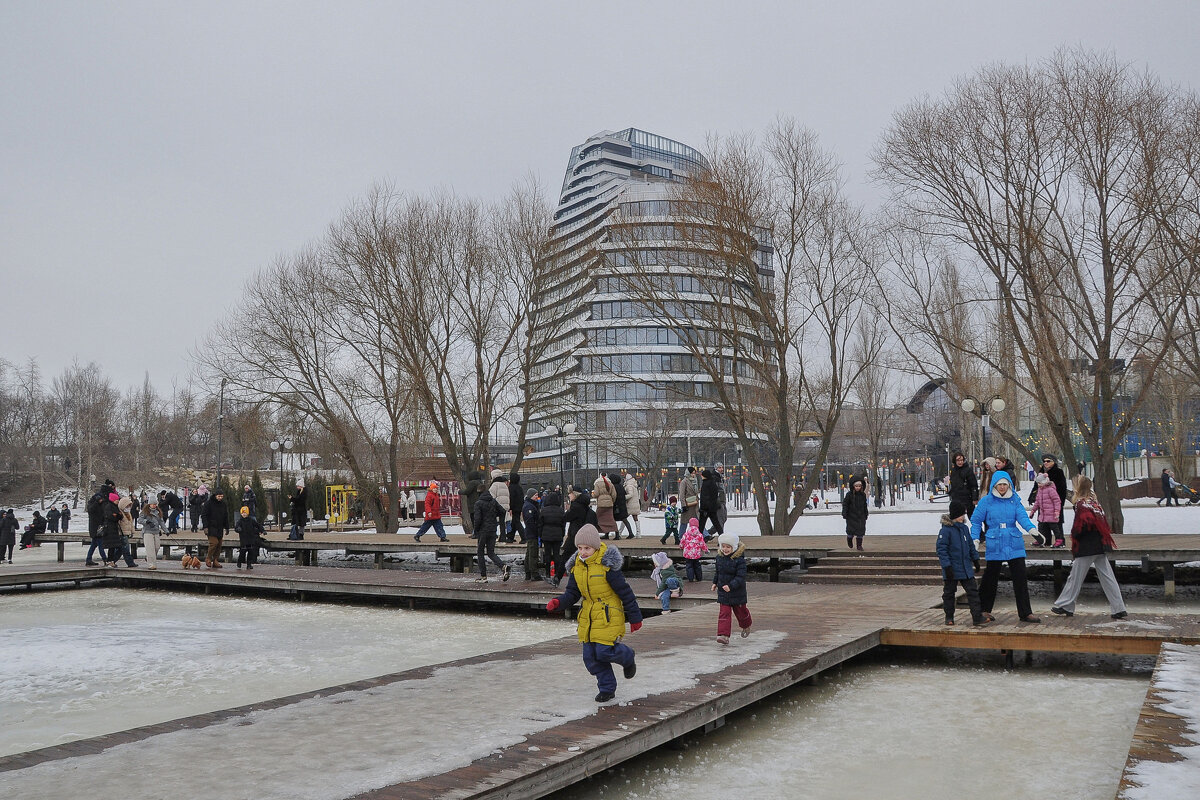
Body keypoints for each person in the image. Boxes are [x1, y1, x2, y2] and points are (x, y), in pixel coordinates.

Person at [545, 525, 643, 703]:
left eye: (587, 548)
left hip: (608, 614)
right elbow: (573, 593)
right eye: (580, 548)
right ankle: (607, 688)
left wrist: (635, 617)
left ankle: (628, 656)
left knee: (604, 651)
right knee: (590, 657)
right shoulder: (577, 566)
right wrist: (558, 603)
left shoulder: (607, 566)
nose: (583, 552)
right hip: (588, 615)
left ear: (596, 547)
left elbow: (625, 592)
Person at [1052, 475, 1128, 620]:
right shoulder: (1094, 502)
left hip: (1087, 546)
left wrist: (1075, 537)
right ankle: (1119, 608)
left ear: (1078, 488)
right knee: (1107, 577)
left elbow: (1081, 526)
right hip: (1100, 544)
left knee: (1075, 577)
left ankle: (1064, 604)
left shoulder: (1081, 504)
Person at [971, 471, 1040, 623]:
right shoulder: (986, 501)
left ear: (1009, 485)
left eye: (1005, 484)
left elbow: (1022, 516)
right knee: (990, 578)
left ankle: (1025, 612)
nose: (1002, 487)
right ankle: (983, 610)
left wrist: (1031, 529)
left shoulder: (1014, 500)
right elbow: (976, 521)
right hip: (995, 541)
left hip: (1013, 541)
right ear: (994, 485)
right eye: (999, 485)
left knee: (1020, 577)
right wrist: (975, 539)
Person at [936, 499, 985, 626]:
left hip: (965, 567)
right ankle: (949, 617)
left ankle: (977, 617)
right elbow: (942, 550)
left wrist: (975, 559)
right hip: (952, 568)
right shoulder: (946, 531)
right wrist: (947, 567)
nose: (963, 517)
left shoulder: (964, 529)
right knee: (949, 594)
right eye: (961, 515)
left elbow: (970, 545)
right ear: (954, 515)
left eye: (964, 514)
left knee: (973, 592)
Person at [711, 532, 752, 644]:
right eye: (723, 546)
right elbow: (718, 572)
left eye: (728, 547)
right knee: (724, 613)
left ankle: (746, 625)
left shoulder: (739, 560)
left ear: (733, 547)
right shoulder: (719, 558)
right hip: (723, 592)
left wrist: (731, 586)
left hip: (737, 592)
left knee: (741, 612)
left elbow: (740, 577)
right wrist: (715, 582)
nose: (725, 549)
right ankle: (723, 635)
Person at [472, 487, 510, 583]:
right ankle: (503, 566)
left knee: (480, 553)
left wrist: (475, 531)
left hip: (483, 531)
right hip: (493, 530)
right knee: (491, 552)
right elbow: (503, 511)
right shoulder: (493, 501)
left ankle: (484, 577)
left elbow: (477, 519)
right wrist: (494, 517)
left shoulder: (478, 503)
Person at [559, 485, 590, 585]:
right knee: (579, 557)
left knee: (566, 555)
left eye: (570, 493)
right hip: (581, 533)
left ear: (575, 494)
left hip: (574, 534)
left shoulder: (576, 505)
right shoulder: (583, 504)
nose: (569, 495)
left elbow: (566, 517)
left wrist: (568, 510)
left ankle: (557, 578)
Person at [539, 487, 566, 585]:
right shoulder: (560, 510)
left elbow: (540, 524)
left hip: (546, 534)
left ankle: (547, 573)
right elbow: (563, 524)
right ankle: (556, 575)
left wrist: (540, 535)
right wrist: (562, 534)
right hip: (557, 534)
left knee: (547, 554)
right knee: (556, 554)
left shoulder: (544, 510)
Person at [101, 492, 135, 567]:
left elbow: (130, 524)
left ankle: (111, 561)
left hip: (126, 533)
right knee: (125, 549)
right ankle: (130, 563)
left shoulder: (128, 513)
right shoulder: (114, 509)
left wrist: (132, 532)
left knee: (119, 549)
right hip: (121, 533)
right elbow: (116, 519)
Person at [1030, 473, 1064, 548]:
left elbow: (1057, 501)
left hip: (1051, 514)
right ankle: (1040, 540)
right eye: (1037, 483)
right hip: (1043, 514)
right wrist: (1033, 511)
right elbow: (1037, 502)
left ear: (1045, 481)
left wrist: (1057, 511)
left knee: (1054, 527)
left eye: (1040, 483)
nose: (1038, 485)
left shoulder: (1050, 490)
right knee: (1041, 527)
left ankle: (1059, 540)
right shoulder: (1040, 490)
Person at [1028, 454, 1068, 518]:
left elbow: (1062, 489)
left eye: (1048, 461)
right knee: (1042, 526)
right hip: (1043, 506)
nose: (1045, 463)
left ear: (1053, 462)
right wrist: (1031, 496)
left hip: (1054, 507)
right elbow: (1036, 486)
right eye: (1044, 461)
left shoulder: (1058, 472)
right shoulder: (1041, 472)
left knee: (1056, 526)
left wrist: (1060, 505)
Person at [203, 489, 230, 568]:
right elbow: (204, 515)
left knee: (219, 544)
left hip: (219, 527)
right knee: (214, 543)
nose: (220, 498)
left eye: (221, 496)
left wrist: (227, 527)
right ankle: (208, 558)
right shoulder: (208, 504)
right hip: (211, 527)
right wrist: (205, 527)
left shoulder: (223, 504)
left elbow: (225, 516)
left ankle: (215, 560)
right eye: (219, 496)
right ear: (215, 496)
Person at [138, 498, 167, 569]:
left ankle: (148, 558)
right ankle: (151, 564)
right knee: (150, 548)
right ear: (149, 504)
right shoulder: (145, 511)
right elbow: (139, 520)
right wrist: (147, 521)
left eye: (155, 504)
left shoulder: (158, 512)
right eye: (152, 504)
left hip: (156, 531)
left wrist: (166, 531)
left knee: (157, 547)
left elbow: (161, 522)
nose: (154, 506)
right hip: (147, 532)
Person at [521, 488, 543, 581]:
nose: (537, 497)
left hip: (531, 532)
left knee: (529, 553)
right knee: (533, 552)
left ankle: (528, 573)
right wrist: (536, 530)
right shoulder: (529, 507)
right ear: (530, 496)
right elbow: (530, 521)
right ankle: (534, 573)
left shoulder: (530, 505)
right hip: (532, 532)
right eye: (535, 495)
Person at [842, 477, 869, 551]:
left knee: (861, 531)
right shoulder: (849, 495)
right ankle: (849, 539)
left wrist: (866, 513)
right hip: (851, 515)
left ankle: (859, 546)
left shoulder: (862, 495)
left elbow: (864, 505)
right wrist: (845, 512)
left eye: (859, 486)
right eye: (856, 486)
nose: (858, 488)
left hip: (861, 516)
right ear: (853, 486)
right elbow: (845, 504)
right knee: (851, 530)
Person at [948, 452, 978, 519]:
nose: (960, 462)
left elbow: (973, 485)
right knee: (956, 517)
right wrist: (951, 492)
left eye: (961, 460)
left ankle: (978, 529)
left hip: (967, 498)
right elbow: (953, 484)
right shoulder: (953, 471)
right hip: (956, 498)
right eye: (958, 460)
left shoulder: (968, 470)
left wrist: (975, 498)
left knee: (973, 518)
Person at [679, 516, 709, 582]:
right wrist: (706, 550)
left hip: (688, 553)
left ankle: (690, 578)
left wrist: (681, 547)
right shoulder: (699, 535)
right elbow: (702, 544)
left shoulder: (686, 534)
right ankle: (699, 578)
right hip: (696, 553)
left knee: (689, 566)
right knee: (697, 565)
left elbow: (682, 542)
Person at [698, 468, 725, 539]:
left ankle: (699, 539)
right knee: (717, 524)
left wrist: (703, 508)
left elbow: (704, 497)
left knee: (701, 525)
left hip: (705, 508)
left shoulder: (705, 483)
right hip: (712, 508)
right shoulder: (713, 482)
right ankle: (722, 537)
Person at [235, 505, 265, 570]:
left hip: (251, 539)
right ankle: (239, 562)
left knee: (250, 552)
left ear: (248, 513)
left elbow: (258, 525)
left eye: (245, 513)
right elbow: (236, 528)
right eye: (243, 513)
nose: (244, 514)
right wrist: (238, 529)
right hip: (243, 539)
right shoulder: (240, 521)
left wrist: (262, 530)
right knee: (242, 552)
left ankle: (249, 564)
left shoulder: (251, 520)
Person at [487, 469, 512, 542]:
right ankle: (503, 536)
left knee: (493, 522)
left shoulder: (495, 485)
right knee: (502, 523)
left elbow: (491, 496)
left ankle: (493, 536)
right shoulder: (504, 484)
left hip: (497, 506)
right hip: (505, 507)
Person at [593, 473, 620, 540]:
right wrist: (611, 501)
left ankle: (598, 533)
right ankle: (617, 533)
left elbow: (596, 494)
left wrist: (593, 494)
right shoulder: (610, 484)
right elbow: (614, 495)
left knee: (597, 519)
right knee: (610, 519)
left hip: (601, 504)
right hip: (609, 505)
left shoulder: (597, 483)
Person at [677, 467, 700, 541]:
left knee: (696, 520)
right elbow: (682, 494)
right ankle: (681, 536)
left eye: (694, 473)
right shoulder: (684, 481)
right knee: (684, 521)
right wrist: (683, 505)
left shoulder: (695, 481)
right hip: (688, 504)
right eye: (692, 473)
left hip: (695, 504)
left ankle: (704, 534)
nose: (693, 475)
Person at [619, 469, 642, 539]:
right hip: (635, 504)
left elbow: (630, 494)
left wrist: (623, 497)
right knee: (635, 518)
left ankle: (620, 532)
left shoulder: (629, 486)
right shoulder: (634, 485)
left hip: (630, 504)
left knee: (624, 518)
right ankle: (638, 533)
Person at [508, 472, 525, 544]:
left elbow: (511, 498)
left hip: (514, 507)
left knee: (517, 522)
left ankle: (524, 537)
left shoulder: (511, 487)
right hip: (519, 507)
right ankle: (510, 537)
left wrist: (510, 508)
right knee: (514, 522)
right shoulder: (519, 487)